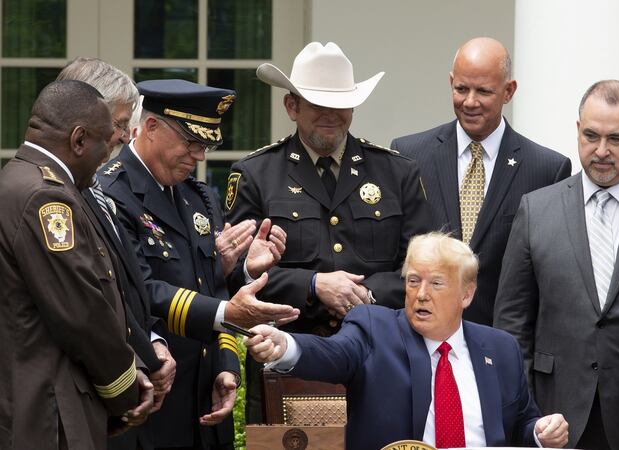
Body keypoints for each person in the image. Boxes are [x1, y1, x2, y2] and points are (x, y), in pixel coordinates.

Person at [224, 41, 433, 422]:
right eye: (317, 104)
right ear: (291, 106)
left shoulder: (398, 173)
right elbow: (237, 278)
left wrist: (367, 292)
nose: (331, 116)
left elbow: (425, 270)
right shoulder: (256, 174)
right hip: (289, 358)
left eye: (340, 104)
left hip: (382, 357)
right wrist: (313, 285)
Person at [98, 79, 298, 449]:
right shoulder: (112, 194)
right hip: (154, 398)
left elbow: (212, 285)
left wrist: (225, 363)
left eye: (205, 145)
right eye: (191, 142)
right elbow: (141, 293)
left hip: (204, 400)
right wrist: (229, 313)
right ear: (152, 128)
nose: (200, 156)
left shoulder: (198, 195)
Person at [244, 232, 569, 449]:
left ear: (467, 294)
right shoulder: (375, 328)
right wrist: (286, 345)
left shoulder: (500, 348)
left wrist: (541, 433)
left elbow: (522, 423)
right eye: (413, 281)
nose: (421, 294)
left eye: (437, 283)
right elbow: (334, 354)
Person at [494, 80, 619, 450]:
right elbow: (512, 324)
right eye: (591, 135)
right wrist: (526, 416)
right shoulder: (536, 210)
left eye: (616, 139)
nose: (601, 150)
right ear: (577, 130)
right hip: (555, 415)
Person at [0, 80, 149, 449]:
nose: (111, 150)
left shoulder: (16, 178)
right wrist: (126, 390)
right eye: (106, 139)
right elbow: (81, 311)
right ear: (79, 140)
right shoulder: (46, 198)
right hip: (49, 412)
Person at [391, 37, 571, 326]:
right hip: (419, 339)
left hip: (499, 342)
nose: (470, 102)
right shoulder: (409, 156)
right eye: (461, 89)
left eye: (484, 91)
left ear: (509, 91)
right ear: (451, 82)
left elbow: (544, 279)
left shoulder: (546, 170)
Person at [57, 57, 178, 450]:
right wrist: (133, 377)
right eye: (120, 123)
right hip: (81, 399)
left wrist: (153, 346)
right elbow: (83, 311)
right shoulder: (55, 198)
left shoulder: (91, 191)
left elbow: (126, 293)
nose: (126, 136)